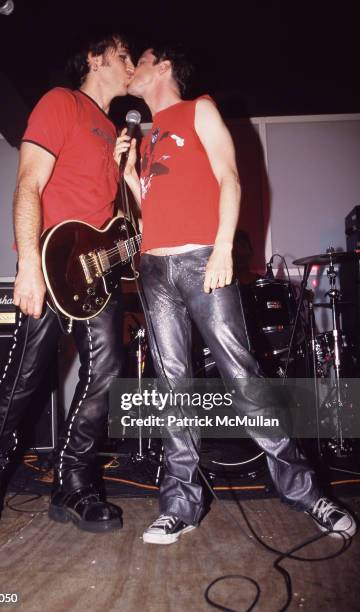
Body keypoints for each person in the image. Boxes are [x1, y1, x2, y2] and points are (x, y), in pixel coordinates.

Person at [114, 45, 357, 544]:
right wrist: (125, 175)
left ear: (162, 66)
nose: (132, 69)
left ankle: (307, 493)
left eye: (140, 60)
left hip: (204, 257)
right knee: (172, 384)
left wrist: (223, 247)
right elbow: (149, 209)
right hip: (155, 268)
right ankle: (180, 503)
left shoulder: (199, 108)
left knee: (242, 375)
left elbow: (229, 175)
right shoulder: (144, 136)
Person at [0, 34, 134, 533]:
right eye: (123, 55)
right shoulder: (62, 102)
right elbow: (29, 184)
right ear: (95, 58)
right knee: (25, 376)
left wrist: (125, 167)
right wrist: (29, 265)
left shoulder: (111, 128)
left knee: (106, 370)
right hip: (51, 260)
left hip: (96, 273)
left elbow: (113, 217)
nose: (129, 65)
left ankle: (74, 484)